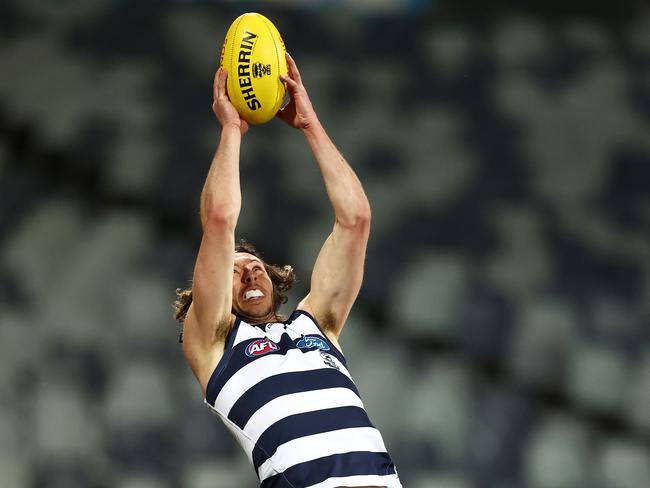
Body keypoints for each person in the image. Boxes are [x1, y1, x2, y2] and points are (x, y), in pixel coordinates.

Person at [173, 52, 402, 488]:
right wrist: (231, 130)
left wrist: (310, 125)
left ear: (275, 281)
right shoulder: (214, 345)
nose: (249, 274)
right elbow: (220, 218)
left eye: (255, 266)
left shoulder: (317, 327)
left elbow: (355, 220)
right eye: (235, 271)